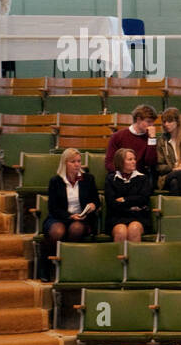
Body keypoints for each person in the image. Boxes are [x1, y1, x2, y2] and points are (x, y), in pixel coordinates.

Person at [41, 148, 99, 281]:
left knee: (76, 228)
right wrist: (69, 216)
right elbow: (53, 207)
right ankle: (47, 266)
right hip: (60, 216)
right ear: (65, 163)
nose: (77, 164)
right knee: (57, 231)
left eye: (79, 161)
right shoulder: (56, 181)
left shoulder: (88, 179)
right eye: (73, 162)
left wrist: (93, 205)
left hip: (82, 218)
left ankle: (68, 266)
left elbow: (95, 200)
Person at [106, 148, 153, 243]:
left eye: (134, 159)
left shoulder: (143, 178)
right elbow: (112, 203)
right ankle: (119, 257)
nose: (134, 162)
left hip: (139, 216)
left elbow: (143, 199)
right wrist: (133, 204)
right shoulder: (111, 179)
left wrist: (124, 199)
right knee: (121, 231)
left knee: (134, 229)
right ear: (120, 162)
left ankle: (136, 258)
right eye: (130, 159)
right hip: (117, 217)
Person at [105, 105, 159, 175]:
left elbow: (150, 163)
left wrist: (152, 139)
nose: (151, 125)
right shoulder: (117, 136)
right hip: (120, 176)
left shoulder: (150, 139)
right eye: (148, 122)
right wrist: (124, 174)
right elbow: (109, 163)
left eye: (152, 122)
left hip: (140, 178)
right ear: (138, 120)